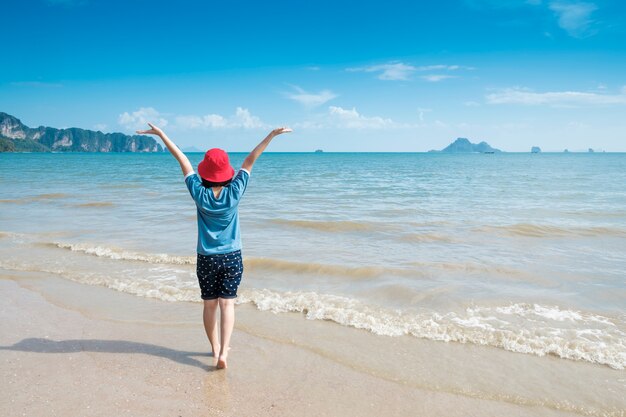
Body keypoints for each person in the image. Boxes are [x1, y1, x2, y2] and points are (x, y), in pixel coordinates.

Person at [137, 123, 292, 369]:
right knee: (227, 303)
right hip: (232, 257)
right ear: (227, 173)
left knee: (210, 304)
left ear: (205, 174)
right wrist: (271, 135)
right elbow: (251, 159)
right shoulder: (235, 191)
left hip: (206, 258)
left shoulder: (199, 193)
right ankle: (224, 354)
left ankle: (215, 348)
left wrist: (162, 135)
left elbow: (183, 160)